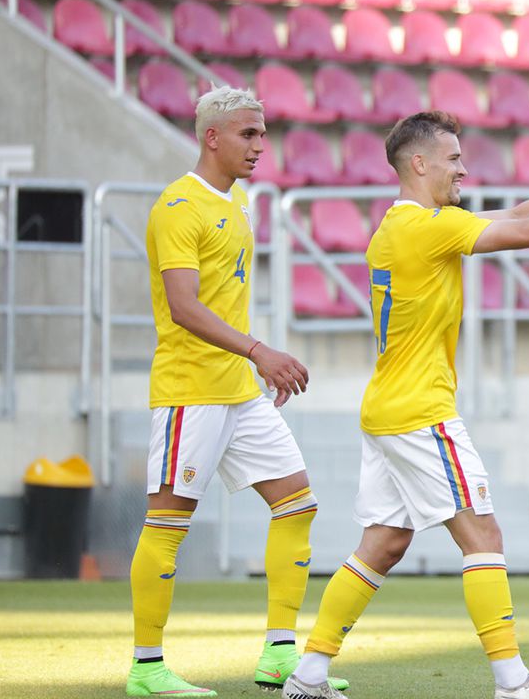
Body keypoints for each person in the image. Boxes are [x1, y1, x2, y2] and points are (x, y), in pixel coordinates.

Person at [283, 111, 529, 699]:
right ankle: (513, 684)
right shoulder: (428, 228)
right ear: (419, 164)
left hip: (388, 410)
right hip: (421, 413)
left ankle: (309, 674)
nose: (463, 167)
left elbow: (508, 217)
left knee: (383, 544)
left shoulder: (405, 226)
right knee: (483, 538)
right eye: (453, 158)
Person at [129, 87, 348, 697]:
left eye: (264, 132)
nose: (261, 144)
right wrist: (260, 351)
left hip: (238, 393)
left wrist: (252, 363)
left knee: (298, 506)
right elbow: (183, 307)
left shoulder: (242, 200)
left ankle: (279, 654)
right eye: (248, 134)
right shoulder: (178, 206)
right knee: (168, 523)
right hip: (190, 392)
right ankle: (147, 668)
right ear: (212, 137)